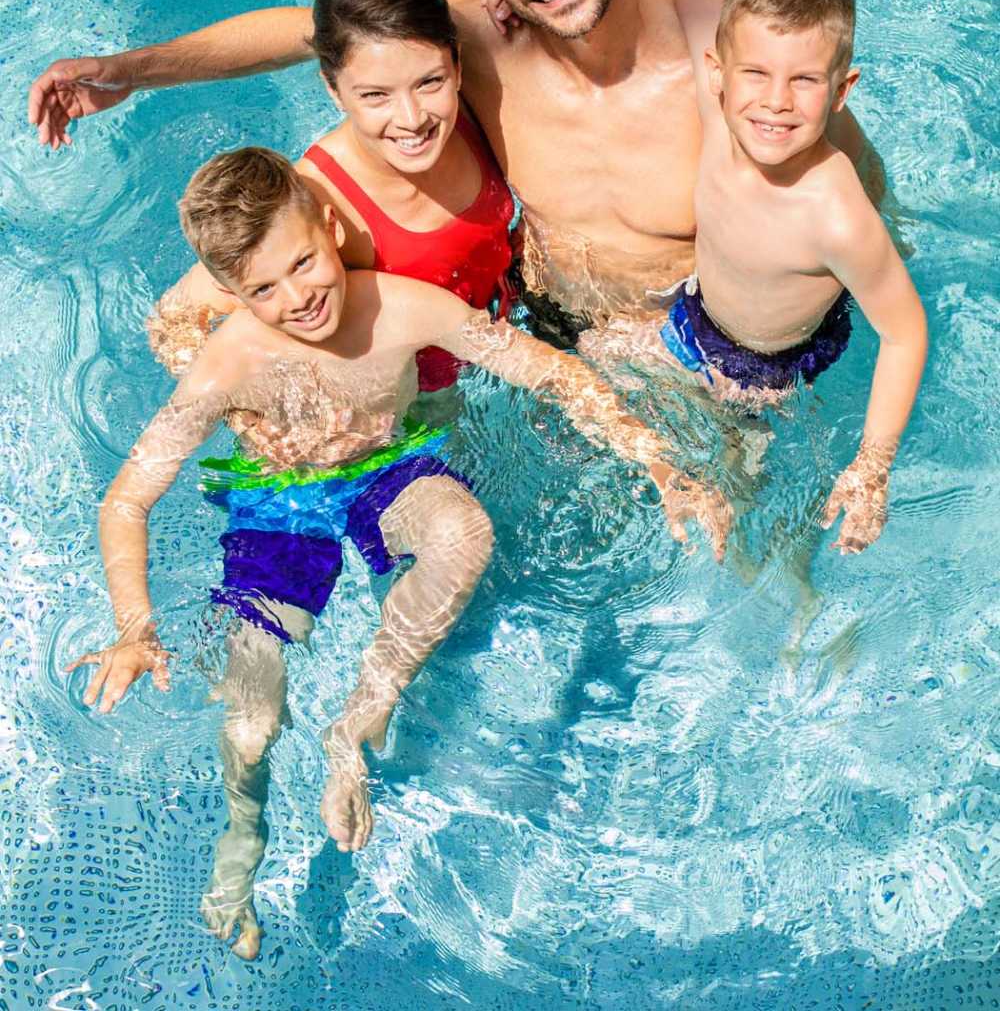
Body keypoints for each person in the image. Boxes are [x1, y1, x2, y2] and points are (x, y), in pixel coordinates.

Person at [67, 147, 730, 961]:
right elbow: (127, 499)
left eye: (304, 264)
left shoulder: (403, 309)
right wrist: (134, 626)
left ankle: (360, 719)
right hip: (280, 505)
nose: (298, 298)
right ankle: (242, 842)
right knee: (249, 723)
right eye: (261, 290)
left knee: (465, 532)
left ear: (332, 227)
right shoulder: (228, 362)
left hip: (386, 468)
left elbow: (554, 375)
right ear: (232, 296)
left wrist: (655, 458)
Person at [27, 0, 877, 335]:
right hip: (541, 330)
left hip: (705, 345)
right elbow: (311, 29)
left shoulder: (717, 55)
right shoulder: (476, 36)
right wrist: (132, 70)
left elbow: (843, 174)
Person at [582, 0, 927, 555]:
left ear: (842, 90)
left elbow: (905, 334)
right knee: (582, 362)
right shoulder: (720, 124)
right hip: (692, 322)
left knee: (736, 517)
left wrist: (872, 468)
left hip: (763, 374)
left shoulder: (834, 213)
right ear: (717, 73)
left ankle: (790, 601)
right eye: (757, 74)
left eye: (805, 80)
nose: (776, 102)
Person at [153, 0, 516, 399]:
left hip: (503, 337)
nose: (412, 118)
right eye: (375, 95)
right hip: (415, 403)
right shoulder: (317, 199)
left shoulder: (471, 112)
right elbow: (175, 321)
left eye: (429, 82)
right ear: (333, 89)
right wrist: (248, 409)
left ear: (457, 66)